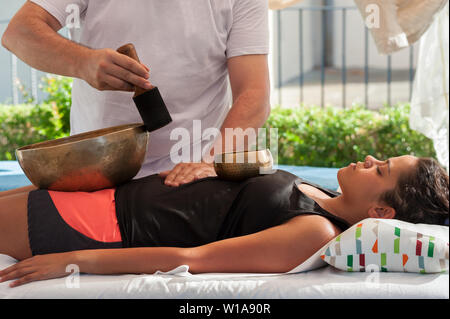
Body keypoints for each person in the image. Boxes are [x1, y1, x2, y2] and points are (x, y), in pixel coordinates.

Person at [0, 155, 448, 287]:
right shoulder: (324, 195)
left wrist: (73, 261)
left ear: (381, 213)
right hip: (108, 194)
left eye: (381, 169)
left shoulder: (314, 231)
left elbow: (192, 259)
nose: (370, 159)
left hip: (103, 225)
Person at [1, 0, 271, 187]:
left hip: (193, 174)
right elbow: (19, 33)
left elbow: (254, 94)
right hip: (97, 172)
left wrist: (209, 163)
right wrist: (81, 62)